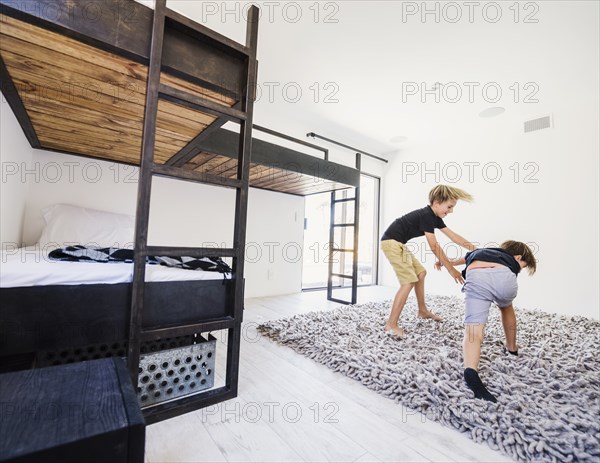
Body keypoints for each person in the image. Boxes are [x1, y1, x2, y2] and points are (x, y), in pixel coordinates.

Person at [440, 240, 537, 403]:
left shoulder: (483, 251)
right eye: (522, 266)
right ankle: (512, 349)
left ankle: (470, 370)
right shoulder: (507, 261)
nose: (520, 269)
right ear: (517, 257)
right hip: (503, 278)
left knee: (473, 328)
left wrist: (446, 262)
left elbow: (463, 259)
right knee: (506, 308)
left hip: (475, 276)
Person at [380, 185, 477, 337]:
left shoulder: (435, 218)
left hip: (398, 243)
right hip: (391, 243)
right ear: (437, 202)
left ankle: (422, 310)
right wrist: (451, 269)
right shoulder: (427, 215)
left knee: (420, 273)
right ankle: (391, 324)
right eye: (449, 207)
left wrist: (475, 249)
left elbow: (453, 236)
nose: (451, 211)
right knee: (408, 281)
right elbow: (433, 246)